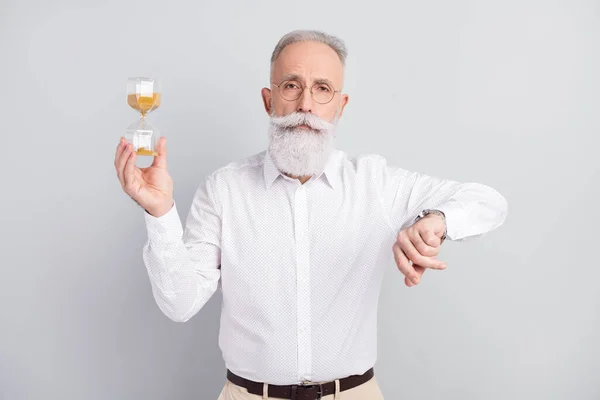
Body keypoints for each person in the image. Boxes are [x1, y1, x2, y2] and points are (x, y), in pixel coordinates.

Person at [114, 30, 508, 400]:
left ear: (340, 106)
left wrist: (436, 220)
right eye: (291, 86)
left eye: (322, 89)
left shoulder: (375, 184)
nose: (305, 104)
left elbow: (489, 202)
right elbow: (179, 303)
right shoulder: (223, 189)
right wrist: (160, 213)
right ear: (269, 101)